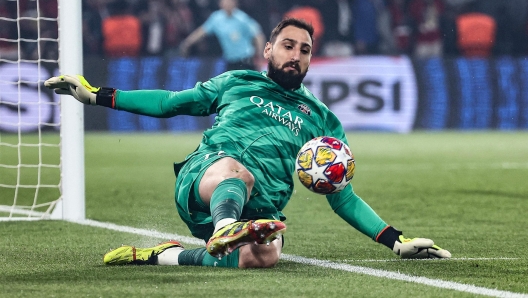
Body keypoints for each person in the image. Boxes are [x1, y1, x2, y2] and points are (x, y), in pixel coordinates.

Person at [44, 18, 451, 268]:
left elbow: (342, 196)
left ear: (311, 60)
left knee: (262, 257)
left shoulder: (324, 121)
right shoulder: (237, 83)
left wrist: (395, 240)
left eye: (305, 50)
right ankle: (225, 225)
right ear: (268, 50)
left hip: (261, 216)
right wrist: (97, 94)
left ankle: (161, 254)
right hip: (206, 180)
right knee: (238, 172)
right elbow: (170, 103)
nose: (296, 55)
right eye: (288, 46)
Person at [179, 0, 265, 71]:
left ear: (235, 3)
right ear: (220, 3)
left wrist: (259, 56)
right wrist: (187, 43)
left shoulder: (242, 18)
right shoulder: (216, 18)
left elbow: (258, 35)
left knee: (246, 89)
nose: (227, 3)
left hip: (245, 61)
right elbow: (201, 32)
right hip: (230, 62)